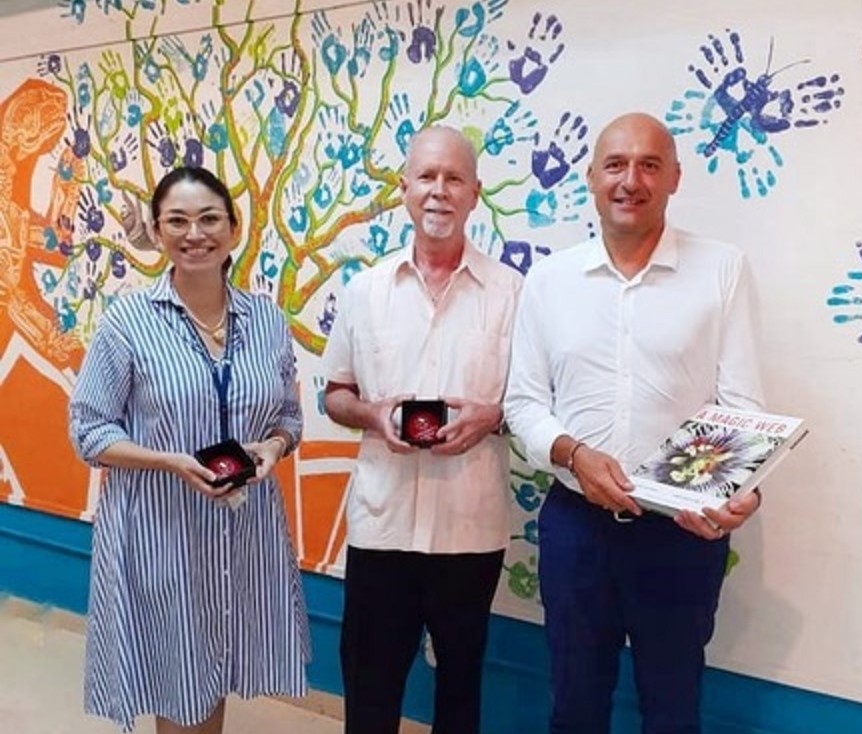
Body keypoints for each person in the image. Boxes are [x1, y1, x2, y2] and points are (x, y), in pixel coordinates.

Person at [504, 113, 765, 734]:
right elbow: (523, 403)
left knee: (672, 709)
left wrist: (743, 490)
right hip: (576, 528)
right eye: (616, 165)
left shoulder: (722, 268)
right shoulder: (550, 279)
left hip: (681, 532)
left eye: (650, 165)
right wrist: (571, 452)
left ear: (675, 177)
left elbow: (743, 405)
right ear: (591, 177)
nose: (631, 180)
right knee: (575, 706)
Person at [69, 166, 310, 733]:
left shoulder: (267, 320)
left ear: (234, 228)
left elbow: (289, 418)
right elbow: (88, 429)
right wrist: (170, 461)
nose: (194, 233)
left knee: (216, 668)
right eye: (177, 221)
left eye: (209, 219)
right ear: (157, 231)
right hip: (162, 529)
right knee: (178, 680)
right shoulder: (128, 322)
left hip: (244, 530)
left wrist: (274, 447)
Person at [322, 126, 522, 734]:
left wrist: (492, 417)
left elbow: (533, 404)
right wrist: (373, 414)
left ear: (475, 193)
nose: (440, 191)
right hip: (382, 526)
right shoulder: (365, 291)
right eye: (427, 176)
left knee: (460, 692)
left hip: (470, 529)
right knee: (370, 690)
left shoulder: (513, 294)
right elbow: (335, 394)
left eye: (454, 178)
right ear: (404, 187)